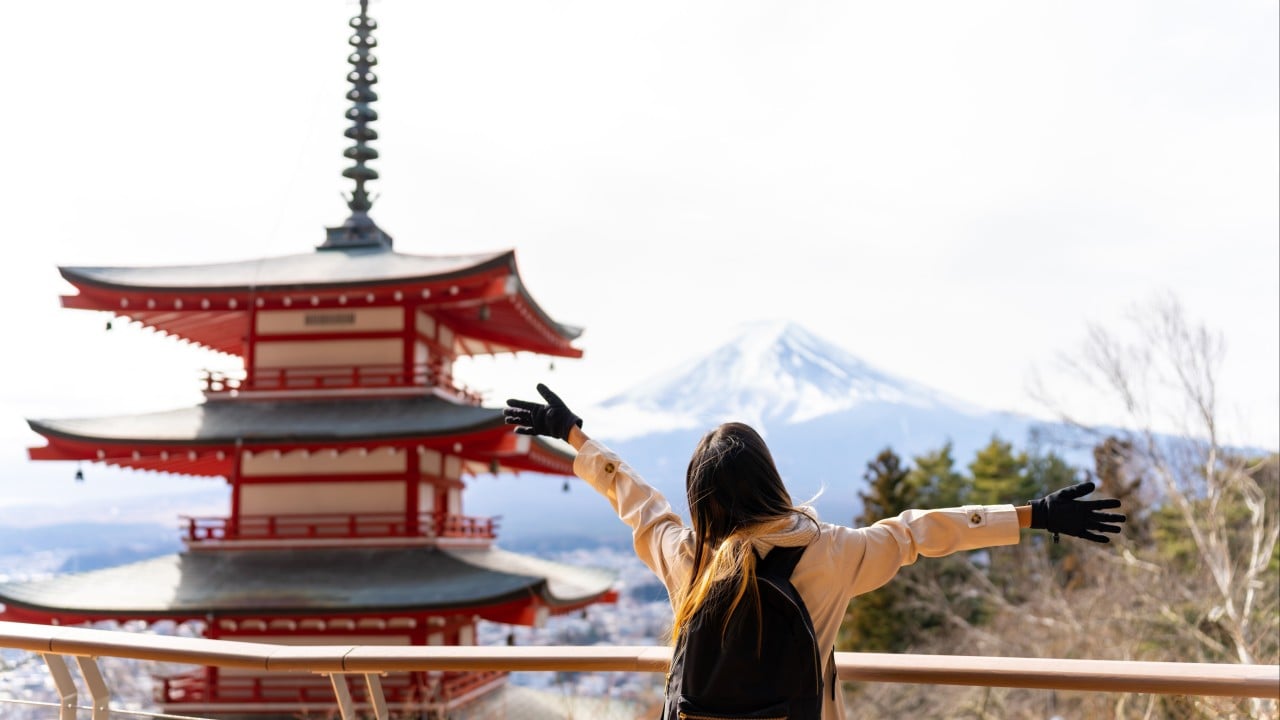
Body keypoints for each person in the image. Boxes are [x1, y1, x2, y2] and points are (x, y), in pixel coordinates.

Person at [504, 384, 1126, 720]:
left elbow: (639, 501)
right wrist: (1033, 514)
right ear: (771, 479)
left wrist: (575, 437)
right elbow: (920, 532)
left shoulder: (689, 561)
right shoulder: (831, 554)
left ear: (702, 495)